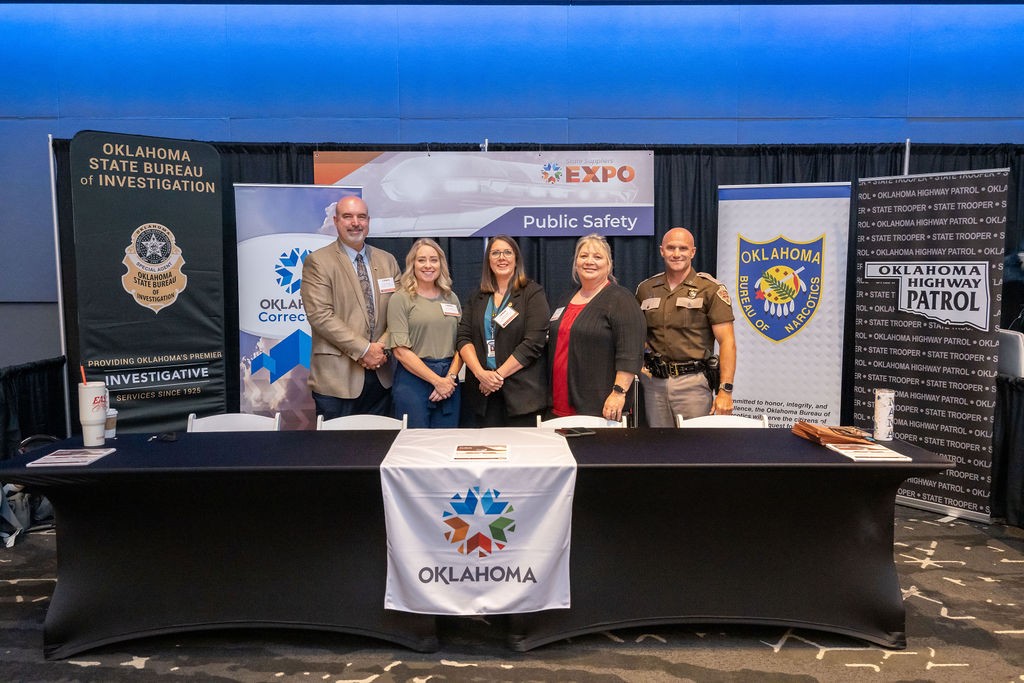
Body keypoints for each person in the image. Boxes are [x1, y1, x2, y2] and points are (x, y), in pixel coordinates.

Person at [301, 196, 401, 420]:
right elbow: (321, 316)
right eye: (348, 216)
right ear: (336, 221)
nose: (355, 223)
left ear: (368, 221)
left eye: (361, 217)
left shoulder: (388, 261)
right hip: (337, 381)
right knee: (336, 452)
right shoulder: (318, 262)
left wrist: (380, 348)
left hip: (382, 376)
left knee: (379, 449)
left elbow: (401, 312)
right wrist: (365, 350)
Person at [635, 227, 737, 426]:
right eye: (671, 248)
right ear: (661, 250)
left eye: (683, 248)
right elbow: (637, 333)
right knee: (658, 447)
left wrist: (725, 390)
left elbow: (727, 342)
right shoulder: (646, 289)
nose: (676, 254)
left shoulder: (710, 289)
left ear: (693, 252)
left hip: (693, 384)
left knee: (695, 449)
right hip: (654, 384)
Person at [547, 233, 645, 423]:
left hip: (600, 406)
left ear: (609, 265)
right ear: (576, 263)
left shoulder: (621, 300)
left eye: (597, 257)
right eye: (583, 256)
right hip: (559, 403)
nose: (589, 261)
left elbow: (631, 351)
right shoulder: (565, 298)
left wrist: (618, 393)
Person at [457, 235, 550, 427]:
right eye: (495, 253)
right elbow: (463, 338)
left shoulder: (532, 293)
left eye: (507, 252)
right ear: (488, 260)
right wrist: (481, 374)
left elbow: (533, 343)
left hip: (522, 396)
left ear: (516, 259)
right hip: (483, 395)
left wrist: (496, 376)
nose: (502, 257)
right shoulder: (477, 296)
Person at [387, 238, 463, 428]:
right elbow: (400, 351)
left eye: (433, 260)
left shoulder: (451, 297)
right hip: (413, 382)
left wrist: (449, 379)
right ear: (412, 264)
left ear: (441, 264)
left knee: (446, 446)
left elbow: (463, 343)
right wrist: (437, 381)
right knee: (414, 447)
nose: (428, 265)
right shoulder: (400, 299)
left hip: (449, 381)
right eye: (421, 260)